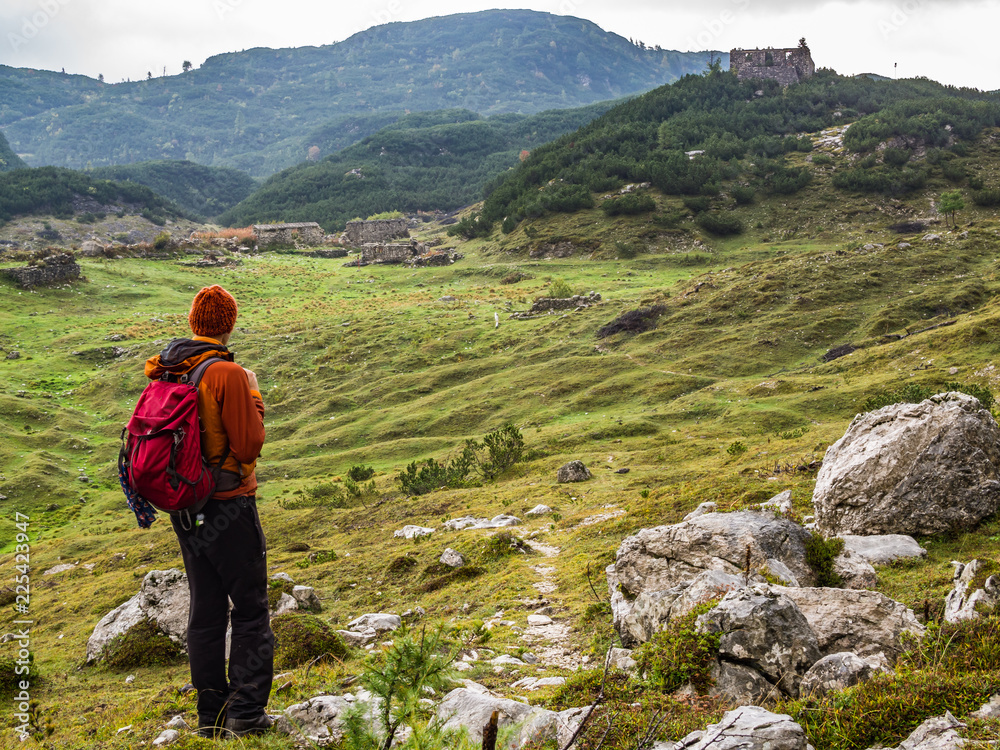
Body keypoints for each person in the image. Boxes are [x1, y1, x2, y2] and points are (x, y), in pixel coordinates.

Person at [143, 284, 274, 737]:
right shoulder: (228, 374)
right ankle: (247, 714)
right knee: (252, 608)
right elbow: (249, 444)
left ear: (194, 323)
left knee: (207, 607)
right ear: (230, 323)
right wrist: (255, 400)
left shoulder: (168, 370)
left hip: (186, 507)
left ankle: (210, 717)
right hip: (228, 505)